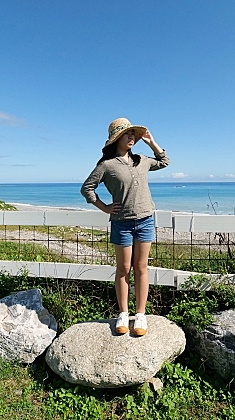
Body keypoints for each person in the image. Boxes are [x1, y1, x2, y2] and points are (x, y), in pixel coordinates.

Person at [80, 118, 169, 336]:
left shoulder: (142, 160)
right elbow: (87, 188)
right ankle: (123, 313)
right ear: (116, 138)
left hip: (146, 220)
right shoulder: (106, 165)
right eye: (127, 134)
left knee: (141, 268)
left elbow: (164, 161)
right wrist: (104, 207)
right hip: (121, 223)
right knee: (123, 269)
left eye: (133, 135)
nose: (131, 138)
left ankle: (140, 315)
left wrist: (151, 142)